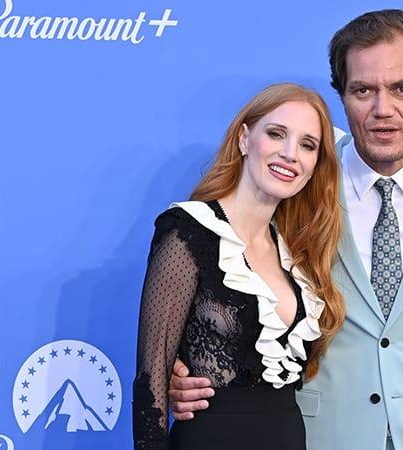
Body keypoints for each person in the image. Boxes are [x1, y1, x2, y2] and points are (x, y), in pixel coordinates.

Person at [169, 10, 403, 450]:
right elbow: (223, 295)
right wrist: (189, 372)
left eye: (401, 88)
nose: (383, 110)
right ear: (342, 97)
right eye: (363, 90)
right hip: (323, 436)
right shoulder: (296, 188)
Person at [132, 83, 345, 450]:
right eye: (276, 134)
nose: (290, 154)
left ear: (314, 167)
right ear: (245, 139)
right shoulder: (187, 232)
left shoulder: (299, 255)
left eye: (307, 145)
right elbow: (151, 380)